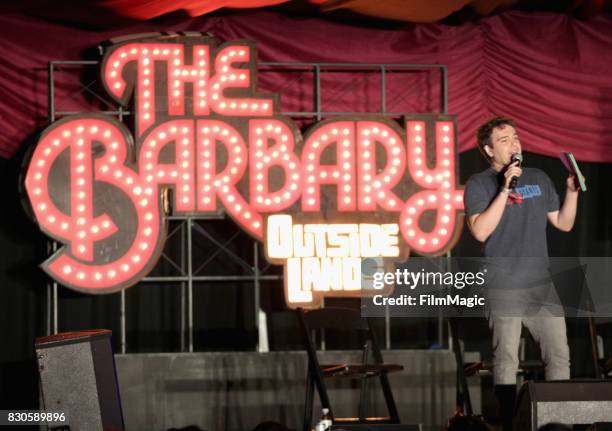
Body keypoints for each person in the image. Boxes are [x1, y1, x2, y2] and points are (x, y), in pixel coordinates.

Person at [463, 117, 580, 431]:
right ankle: (509, 425)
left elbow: (564, 223)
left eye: (515, 137)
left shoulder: (539, 177)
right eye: (504, 139)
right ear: (489, 149)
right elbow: (480, 231)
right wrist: (504, 188)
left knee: (558, 355)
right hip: (503, 284)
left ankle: (559, 424)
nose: (514, 143)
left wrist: (572, 193)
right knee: (507, 361)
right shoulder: (479, 183)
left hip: (541, 283)